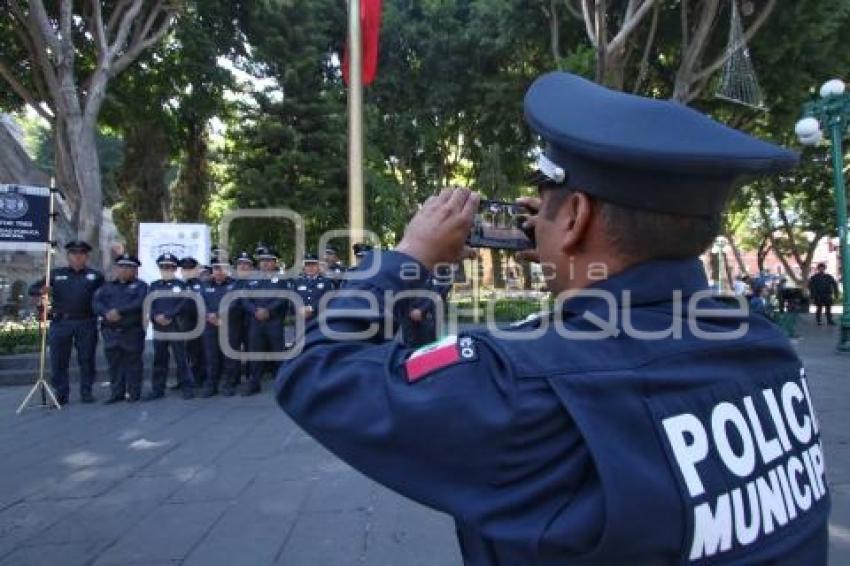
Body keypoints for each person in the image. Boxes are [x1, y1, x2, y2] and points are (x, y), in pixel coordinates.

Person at [275, 72, 828, 564]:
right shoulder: (762, 345)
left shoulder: (523, 378)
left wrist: (406, 259)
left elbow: (316, 370)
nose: (534, 224)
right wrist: (571, 254)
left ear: (578, 216)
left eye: (549, 206)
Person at [28, 240, 104, 405]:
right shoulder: (55, 274)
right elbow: (32, 289)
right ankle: (61, 393)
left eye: (81, 254)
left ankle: (86, 391)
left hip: (87, 322)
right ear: (68, 256)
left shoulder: (96, 276)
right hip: (61, 322)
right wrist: (41, 291)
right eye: (74, 253)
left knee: (87, 359)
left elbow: (105, 295)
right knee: (59, 360)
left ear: (86, 256)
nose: (78, 257)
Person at [93, 254, 148, 404]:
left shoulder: (141, 286)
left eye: (128, 267)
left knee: (134, 363)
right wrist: (106, 313)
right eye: (122, 267)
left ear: (135, 270)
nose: (124, 270)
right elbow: (96, 303)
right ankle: (117, 393)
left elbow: (140, 302)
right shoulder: (107, 286)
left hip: (132, 330)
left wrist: (119, 311)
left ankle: (134, 393)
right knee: (114, 364)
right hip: (111, 331)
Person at [241, 245, 290, 396]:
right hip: (256, 321)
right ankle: (254, 383)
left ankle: (283, 384)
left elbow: (284, 297)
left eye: (269, 261)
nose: (265, 263)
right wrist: (255, 311)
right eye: (263, 260)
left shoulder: (282, 279)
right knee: (255, 353)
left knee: (278, 353)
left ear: (275, 262)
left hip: (273, 321)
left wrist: (269, 310)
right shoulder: (252, 278)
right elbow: (244, 298)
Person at [147, 253, 194, 400]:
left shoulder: (182, 286)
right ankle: (157, 389)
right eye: (163, 267)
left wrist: (169, 315)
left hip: (176, 326)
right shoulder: (154, 286)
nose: (167, 269)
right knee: (159, 359)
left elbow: (185, 303)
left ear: (175, 269)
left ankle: (187, 388)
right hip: (159, 327)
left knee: (181, 359)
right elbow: (149, 304)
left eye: (170, 267)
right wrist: (156, 316)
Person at [200, 254, 241, 397]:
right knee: (211, 356)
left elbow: (235, 303)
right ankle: (212, 383)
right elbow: (200, 302)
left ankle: (229, 383)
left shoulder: (234, 284)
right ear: (212, 270)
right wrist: (208, 315)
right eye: (216, 268)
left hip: (228, 325)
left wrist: (217, 314)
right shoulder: (204, 285)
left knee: (229, 355)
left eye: (222, 268)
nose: (219, 271)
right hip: (209, 325)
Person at [179, 256, 206, 388]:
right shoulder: (178, 286)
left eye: (190, 268)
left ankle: (198, 379)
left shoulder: (202, 285)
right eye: (185, 269)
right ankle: (184, 379)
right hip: (183, 323)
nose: (187, 271)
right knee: (185, 353)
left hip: (199, 322)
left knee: (198, 352)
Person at [292, 254, 333, 322]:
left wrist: (312, 308)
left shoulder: (326, 282)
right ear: (304, 267)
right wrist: (300, 309)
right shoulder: (297, 282)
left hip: (319, 320)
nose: (310, 267)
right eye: (307, 265)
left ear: (318, 266)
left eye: (313, 264)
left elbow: (328, 299)